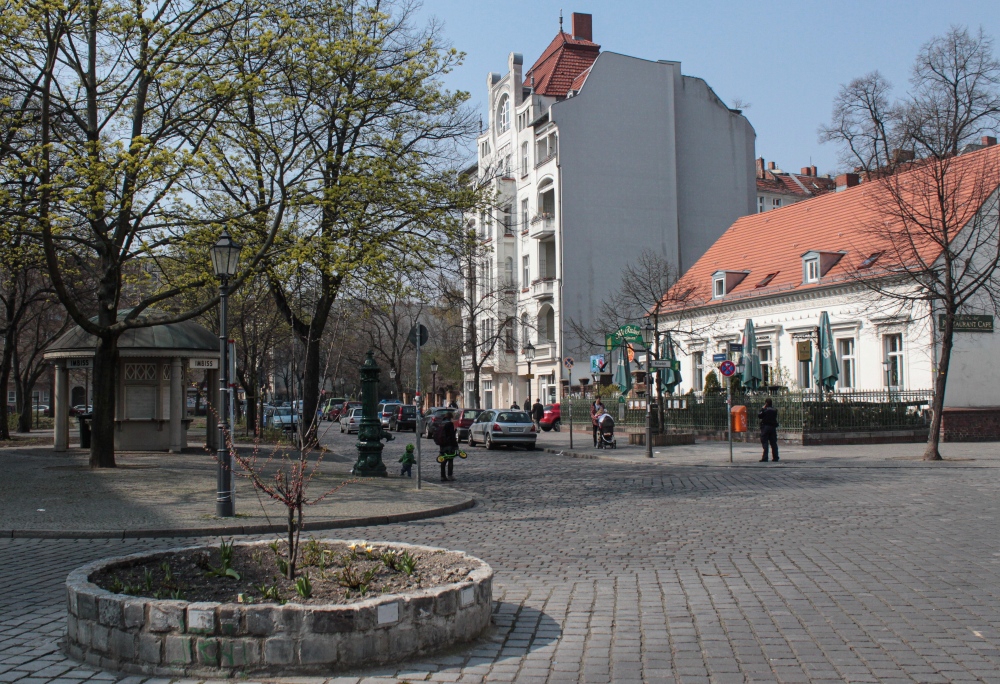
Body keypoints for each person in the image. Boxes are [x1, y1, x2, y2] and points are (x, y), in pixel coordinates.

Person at [759, 398, 779, 462]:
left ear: (766, 403)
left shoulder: (765, 410)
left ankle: (765, 457)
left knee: (765, 442)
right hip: (772, 427)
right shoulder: (775, 410)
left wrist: (762, 409)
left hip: (765, 427)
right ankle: (775, 457)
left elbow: (759, 416)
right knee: (773, 443)